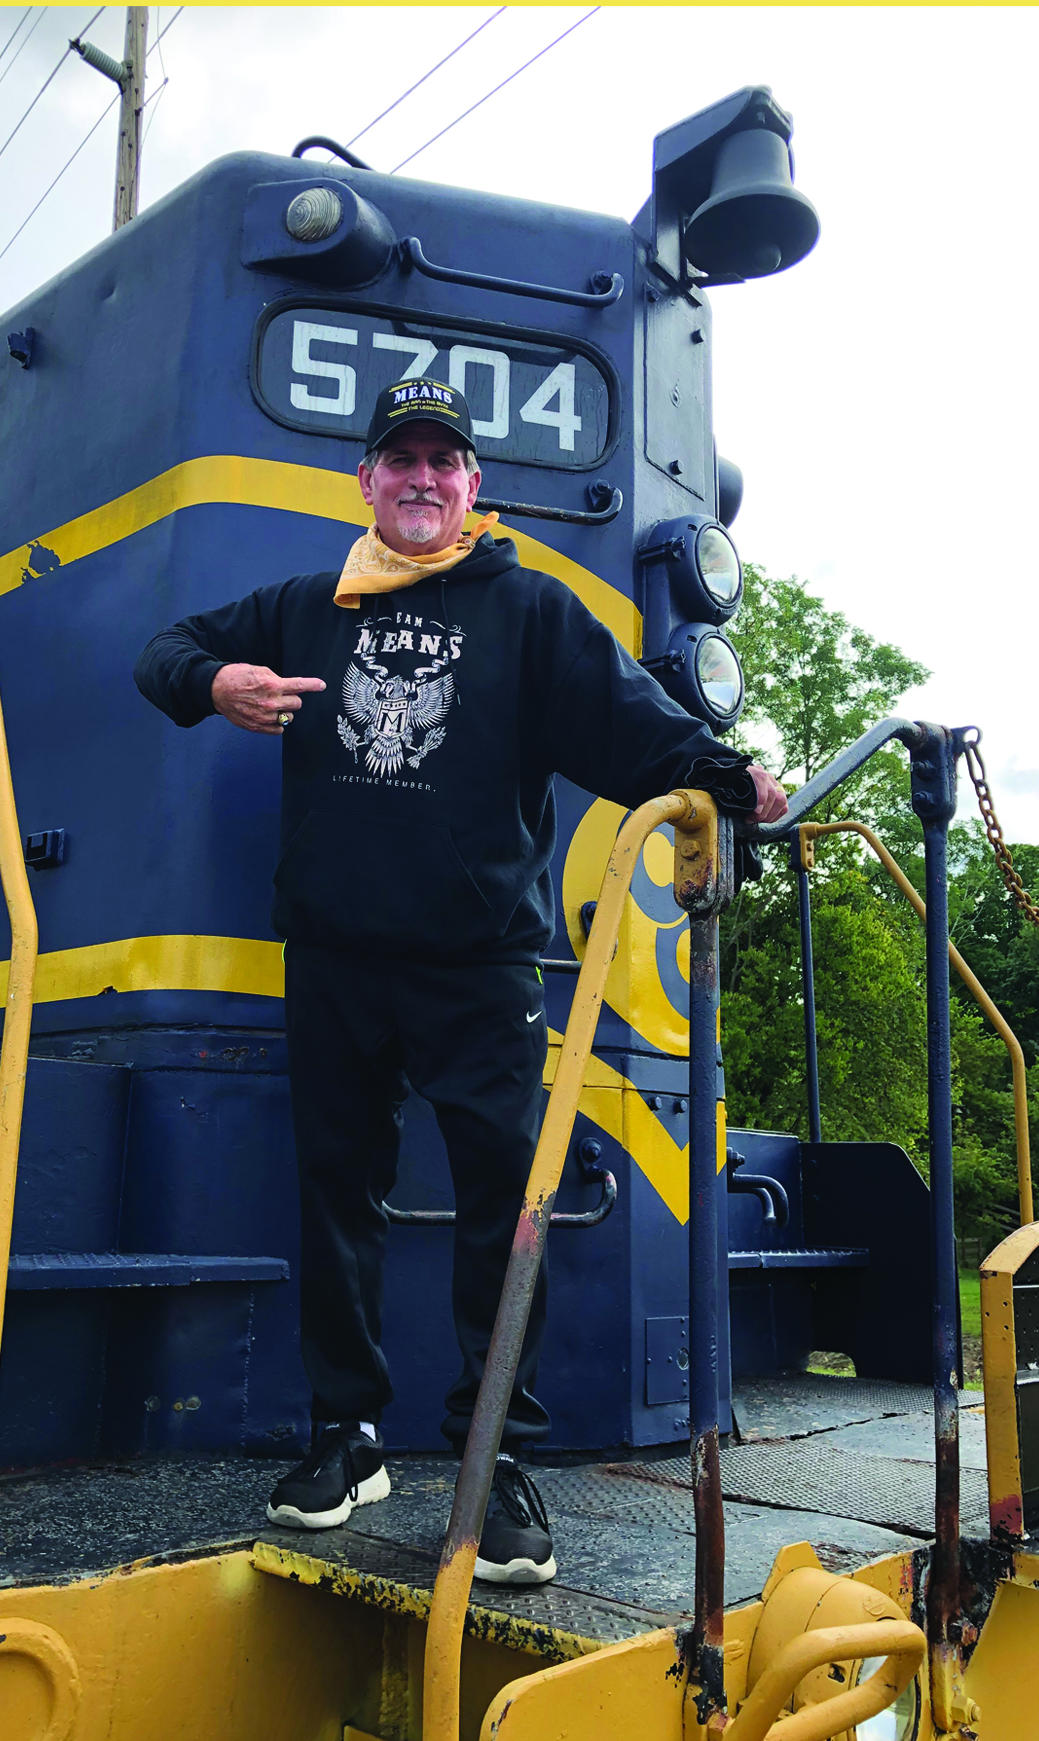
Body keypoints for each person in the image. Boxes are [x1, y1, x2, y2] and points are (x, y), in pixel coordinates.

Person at [135, 376, 787, 1586]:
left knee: (505, 1205)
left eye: (444, 462)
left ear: (471, 485)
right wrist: (215, 686)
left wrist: (727, 775)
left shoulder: (527, 609)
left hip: (480, 966)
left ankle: (498, 1459)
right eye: (402, 460)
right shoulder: (306, 605)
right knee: (337, 1195)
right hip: (334, 956)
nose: (423, 479)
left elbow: (633, 724)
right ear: (368, 483)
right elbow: (164, 652)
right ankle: (347, 1436)